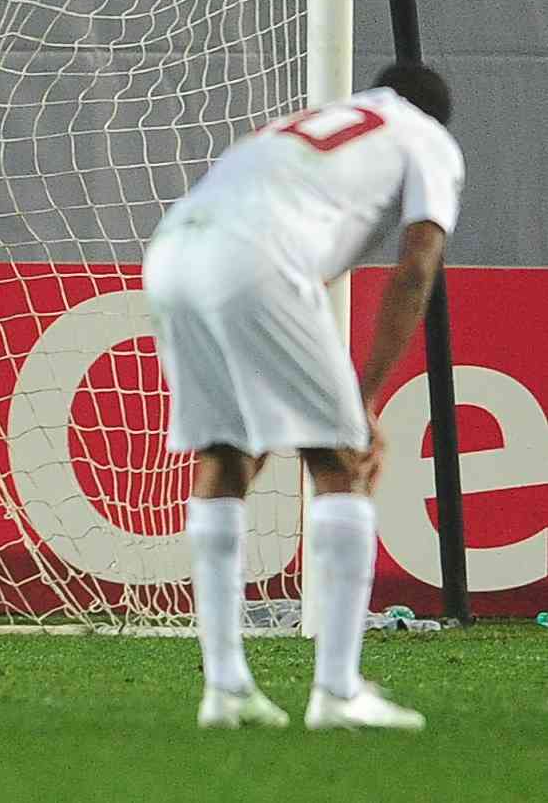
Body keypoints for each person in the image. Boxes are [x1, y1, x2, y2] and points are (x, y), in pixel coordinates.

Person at [145, 62, 461, 733]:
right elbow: (417, 265)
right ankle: (338, 693)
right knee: (341, 460)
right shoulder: (426, 136)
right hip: (257, 259)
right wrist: (363, 400)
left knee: (225, 457)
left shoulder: (306, 126)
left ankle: (225, 689)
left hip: (171, 252)